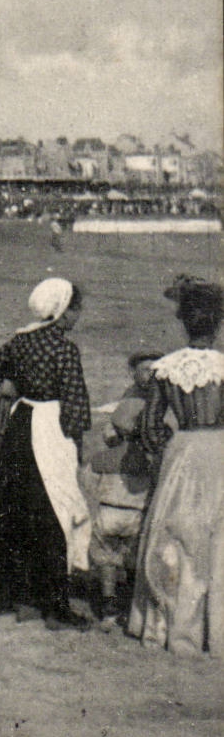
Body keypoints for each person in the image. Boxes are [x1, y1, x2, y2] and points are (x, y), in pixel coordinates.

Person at [0, 278, 93, 630]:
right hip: (50, 428)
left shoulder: (21, 340)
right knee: (54, 510)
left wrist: (10, 385)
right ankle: (54, 606)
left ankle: (14, 597)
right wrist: (77, 444)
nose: (78, 316)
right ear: (61, 311)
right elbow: (75, 402)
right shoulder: (64, 348)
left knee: (16, 508)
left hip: (20, 426)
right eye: (75, 309)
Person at [126, 279, 224, 655]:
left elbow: (150, 426)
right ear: (216, 325)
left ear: (184, 323)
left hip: (182, 452)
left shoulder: (166, 368)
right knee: (214, 538)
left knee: (177, 535)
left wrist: (170, 451)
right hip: (218, 451)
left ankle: (169, 624)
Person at [81, 352, 164, 623]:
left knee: (107, 555)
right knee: (132, 553)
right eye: (143, 370)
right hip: (136, 510)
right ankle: (127, 602)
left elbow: (88, 478)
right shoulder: (137, 399)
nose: (148, 375)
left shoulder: (105, 458)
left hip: (108, 510)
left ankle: (109, 600)